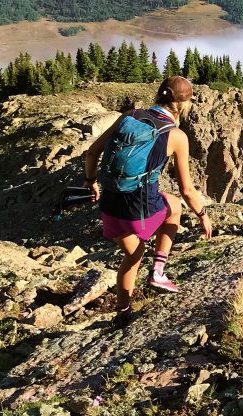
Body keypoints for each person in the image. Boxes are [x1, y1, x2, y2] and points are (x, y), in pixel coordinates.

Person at [84, 75, 212, 327]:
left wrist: (91, 181)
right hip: (138, 211)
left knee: (133, 256)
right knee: (174, 206)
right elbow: (187, 190)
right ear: (183, 104)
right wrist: (202, 214)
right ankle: (158, 272)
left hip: (109, 207)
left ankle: (122, 313)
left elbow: (92, 152)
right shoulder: (176, 135)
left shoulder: (130, 115)